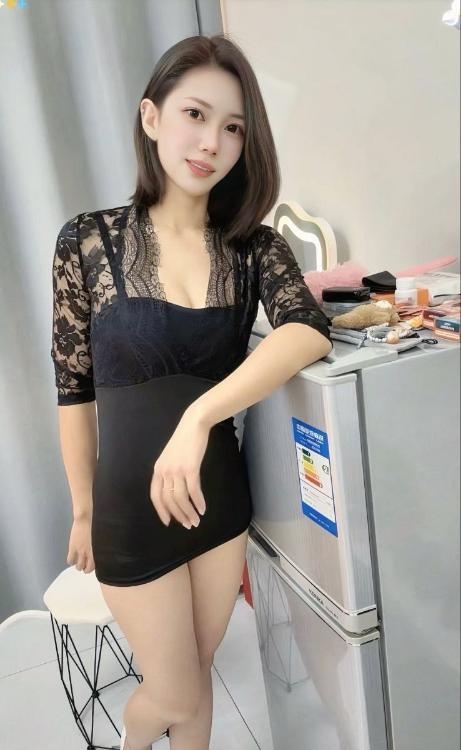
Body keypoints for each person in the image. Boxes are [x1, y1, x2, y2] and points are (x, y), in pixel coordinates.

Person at [50, 33, 332, 750]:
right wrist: (82, 509)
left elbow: (307, 331)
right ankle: (131, 740)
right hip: (127, 509)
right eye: (195, 115)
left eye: (233, 127)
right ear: (152, 117)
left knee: (197, 679)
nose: (212, 142)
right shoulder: (87, 241)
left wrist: (200, 416)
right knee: (172, 692)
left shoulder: (255, 248)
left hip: (217, 503)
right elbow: (73, 387)